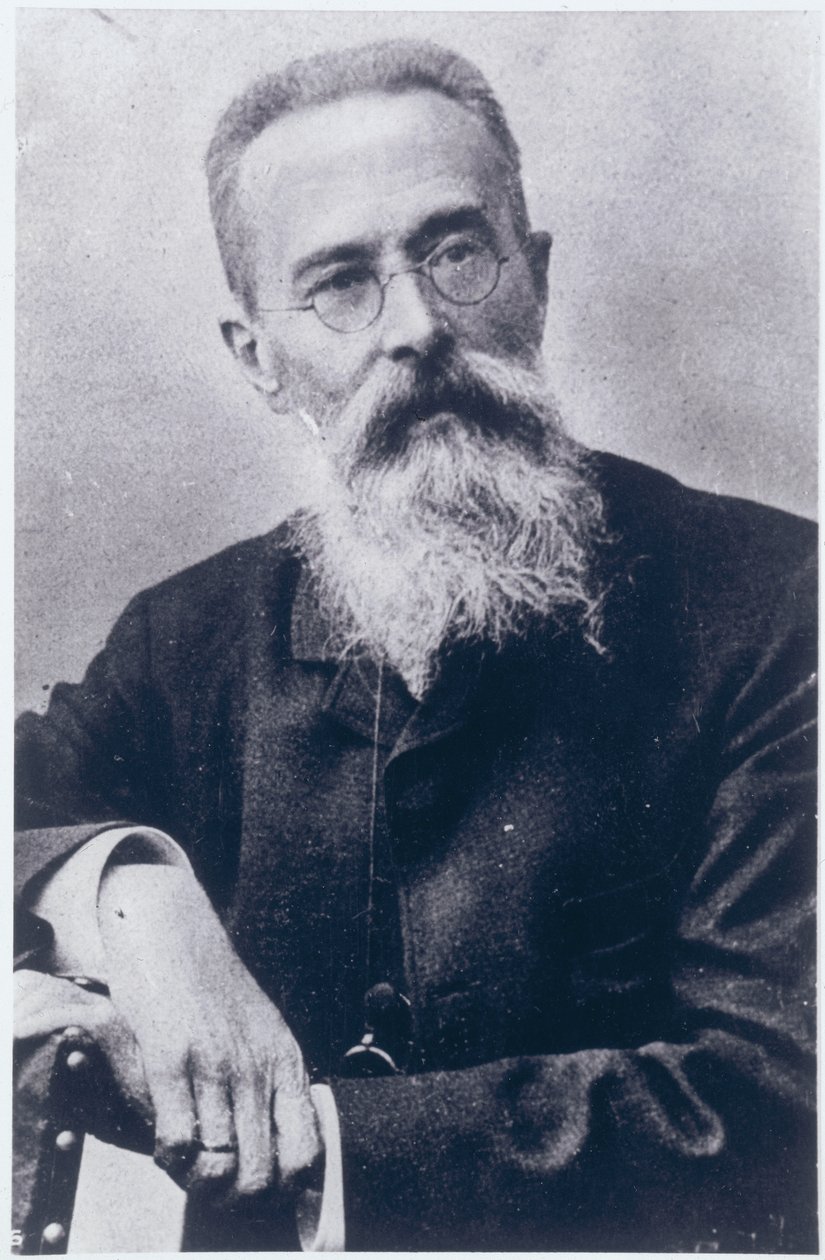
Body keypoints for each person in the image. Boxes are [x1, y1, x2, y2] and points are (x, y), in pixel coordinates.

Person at [14, 38, 817, 1253]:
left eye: (456, 254)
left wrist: (315, 1156)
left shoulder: (779, 602)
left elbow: (782, 1103)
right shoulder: (183, 639)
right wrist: (130, 892)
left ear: (534, 277)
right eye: (340, 283)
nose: (418, 328)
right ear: (257, 359)